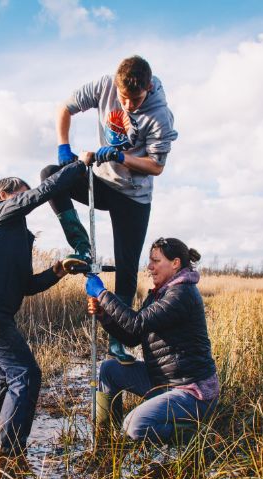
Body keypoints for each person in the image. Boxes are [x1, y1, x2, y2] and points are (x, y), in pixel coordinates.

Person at [41, 55, 178, 363]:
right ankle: (81, 245)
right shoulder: (104, 86)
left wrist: (119, 156)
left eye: (136, 99)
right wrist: (64, 146)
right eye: (124, 99)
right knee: (51, 175)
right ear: (116, 84)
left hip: (133, 196)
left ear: (148, 87)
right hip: (101, 182)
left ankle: (119, 341)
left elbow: (156, 166)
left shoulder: (159, 115)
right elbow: (65, 108)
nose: (129, 105)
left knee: (127, 267)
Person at [0, 158, 88, 457]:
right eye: (22, 193)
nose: (28, 198)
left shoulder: (16, 236)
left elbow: (27, 286)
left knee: (7, 370)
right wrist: (78, 166)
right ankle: (7, 450)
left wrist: (57, 271)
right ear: (4, 195)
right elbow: (42, 193)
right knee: (26, 373)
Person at [85, 237, 219, 444]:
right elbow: (133, 337)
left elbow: (136, 323)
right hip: (162, 382)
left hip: (190, 393)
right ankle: (106, 440)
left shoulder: (181, 294)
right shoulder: (159, 294)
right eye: (150, 261)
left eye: (155, 261)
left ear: (175, 263)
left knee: (135, 426)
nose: (149, 267)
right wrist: (104, 316)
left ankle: (197, 436)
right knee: (110, 370)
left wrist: (102, 293)